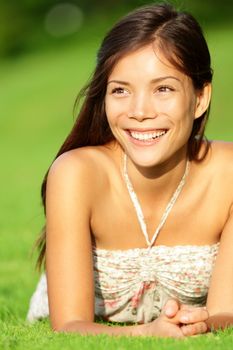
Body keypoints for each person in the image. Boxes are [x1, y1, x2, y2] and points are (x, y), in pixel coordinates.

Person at [27, 2, 233, 337]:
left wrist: (201, 323)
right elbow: (68, 326)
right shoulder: (74, 174)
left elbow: (226, 314)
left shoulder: (229, 175)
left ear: (200, 98)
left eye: (163, 89)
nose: (139, 111)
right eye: (120, 90)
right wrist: (146, 334)